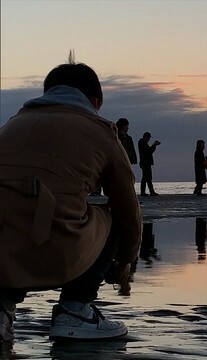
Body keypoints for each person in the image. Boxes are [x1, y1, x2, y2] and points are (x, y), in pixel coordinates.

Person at [0, 60, 141, 341]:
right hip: (51, 249)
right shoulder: (101, 131)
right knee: (109, 216)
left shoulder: (12, 124)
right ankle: (75, 310)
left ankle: (2, 309)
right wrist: (124, 262)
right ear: (94, 100)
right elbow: (129, 211)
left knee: (12, 211)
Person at [138, 131, 160, 196]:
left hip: (144, 162)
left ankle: (146, 191)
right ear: (146, 137)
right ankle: (149, 192)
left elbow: (148, 151)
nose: (149, 139)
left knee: (146, 178)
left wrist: (153, 146)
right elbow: (148, 151)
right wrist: (154, 145)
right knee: (147, 178)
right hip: (145, 163)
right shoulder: (142, 143)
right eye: (149, 138)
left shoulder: (142, 143)